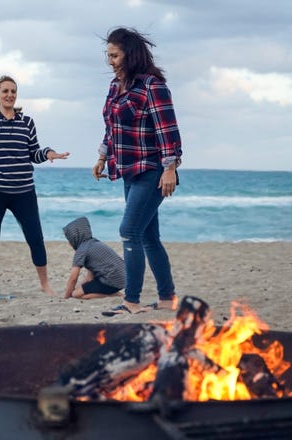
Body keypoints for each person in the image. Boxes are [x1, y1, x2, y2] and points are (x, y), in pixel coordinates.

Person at [93, 27, 182, 316]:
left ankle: (131, 301)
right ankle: (168, 298)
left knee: (129, 231)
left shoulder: (152, 86)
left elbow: (166, 129)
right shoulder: (114, 86)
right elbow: (112, 127)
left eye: (115, 55)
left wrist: (170, 169)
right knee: (148, 236)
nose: (110, 61)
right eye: (108, 55)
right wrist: (102, 156)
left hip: (152, 169)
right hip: (128, 169)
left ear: (129, 55)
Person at [0, 75, 69, 298]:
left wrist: (48, 153)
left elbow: (33, 153)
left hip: (23, 191)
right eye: (5, 91)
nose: (9, 95)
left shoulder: (27, 122)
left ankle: (45, 285)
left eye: (13, 91)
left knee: (35, 237)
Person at [63, 216, 126, 300]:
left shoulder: (81, 250)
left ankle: (112, 295)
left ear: (75, 238)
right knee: (78, 289)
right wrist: (81, 287)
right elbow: (90, 277)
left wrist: (66, 297)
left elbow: (73, 278)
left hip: (111, 281)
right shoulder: (94, 243)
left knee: (75, 294)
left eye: (69, 239)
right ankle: (111, 292)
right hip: (123, 277)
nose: (69, 243)